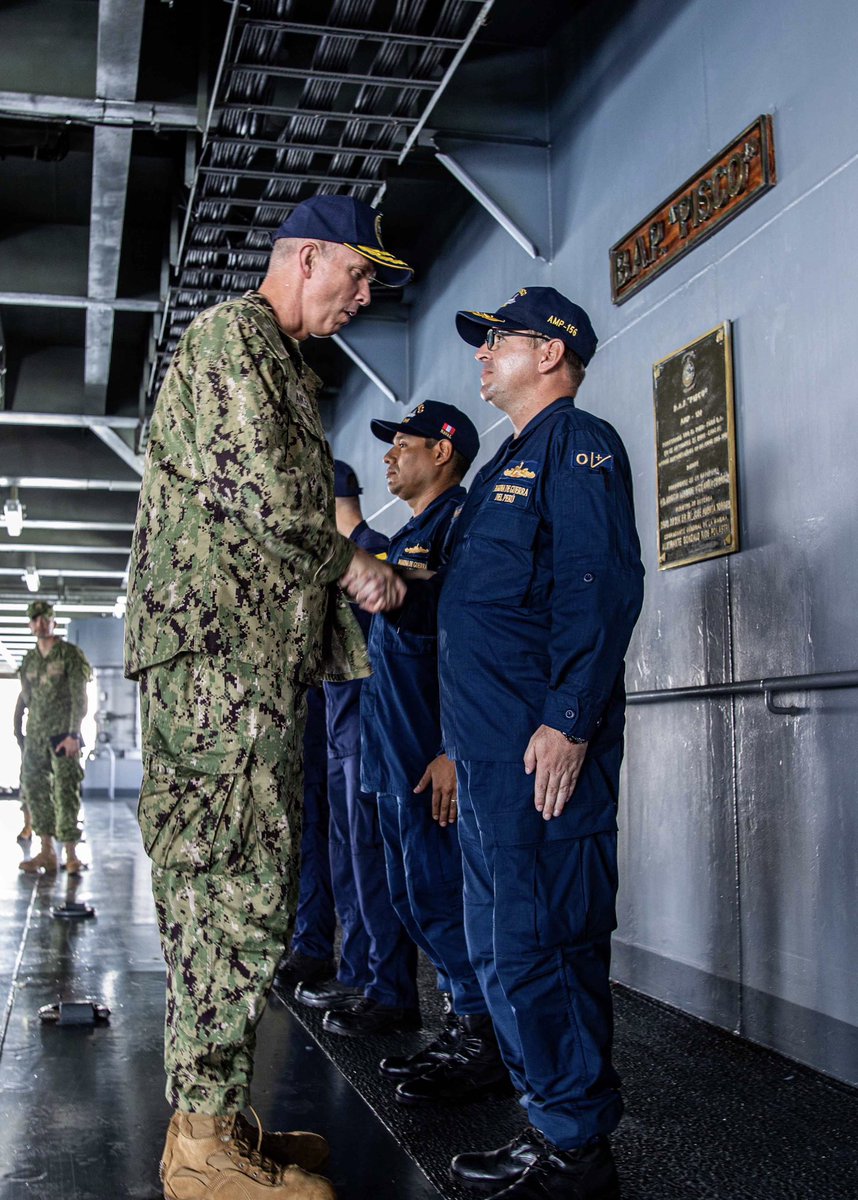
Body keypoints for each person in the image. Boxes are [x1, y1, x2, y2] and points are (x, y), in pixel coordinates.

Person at [125, 194, 410, 1200]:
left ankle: (211, 1129)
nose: (365, 296)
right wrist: (358, 568)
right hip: (220, 664)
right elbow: (274, 499)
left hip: (238, 660)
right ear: (305, 256)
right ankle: (203, 1151)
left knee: (237, 887)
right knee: (232, 893)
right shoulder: (235, 338)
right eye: (358, 274)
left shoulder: (277, 360)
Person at [437, 288, 644, 1200]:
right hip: (488, 762)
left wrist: (567, 721)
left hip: (540, 758)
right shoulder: (500, 470)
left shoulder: (578, 443)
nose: (482, 355)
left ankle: (576, 1153)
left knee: (545, 945)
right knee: (501, 949)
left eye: (497, 340)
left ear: (551, 352)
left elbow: (598, 589)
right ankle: (547, 1126)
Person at [359, 400, 510, 1107]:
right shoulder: (407, 533)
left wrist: (453, 747)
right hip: (396, 751)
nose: (389, 456)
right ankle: (463, 1021)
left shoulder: (461, 523)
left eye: (404, 445)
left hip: (430, 754)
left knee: (444, 896)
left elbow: (468, 646)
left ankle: (483, 1039)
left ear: (443, 452)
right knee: (413, 897)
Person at [298, 461, 422, 1038]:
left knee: (373, 863)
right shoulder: (332, 567)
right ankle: (358, 973)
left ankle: (386, 985)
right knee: (348, 860)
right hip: (340, 735)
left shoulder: (373, 554)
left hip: (371, 732)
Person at [17, 599, 92, 876]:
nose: (40, 624)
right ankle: (46, 851)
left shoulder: (69, 655)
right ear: (30, 625)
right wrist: (22, 732)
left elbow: (79, 697)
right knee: (35, 791)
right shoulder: (29, 660)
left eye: (45, 618)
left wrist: (74, 733)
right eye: (35, 619)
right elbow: (26, 697)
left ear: (53, 622)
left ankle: (71, 855)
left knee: (65, 791)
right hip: (35, 735)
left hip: (63, 734)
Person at [13, 692, 33, 841]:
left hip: (57, 742)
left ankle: (57, 829)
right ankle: (28, 826)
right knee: (27, 785)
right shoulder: (30, 686)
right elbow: (18, 712)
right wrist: (20, 738)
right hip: (32, 744)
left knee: (59, 787)